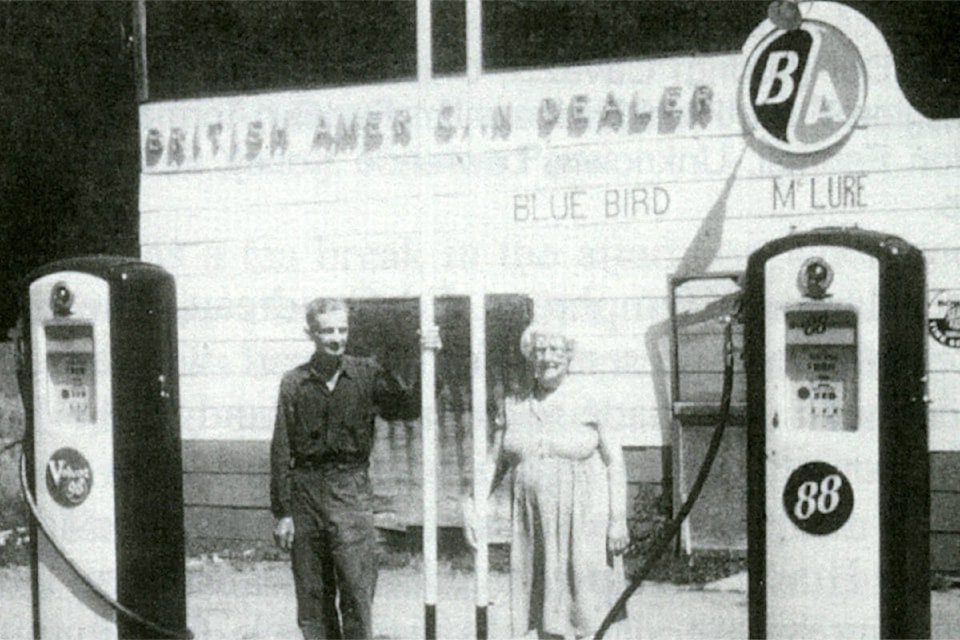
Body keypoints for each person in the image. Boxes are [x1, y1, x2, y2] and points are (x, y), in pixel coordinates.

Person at [270, 297, 440, 640]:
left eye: (342, 329)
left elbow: (407, 407)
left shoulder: (366, 373)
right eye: (327, 330)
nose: (336, 337)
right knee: (313, 595)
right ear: (311, 333)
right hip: (305, 493)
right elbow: (281, 448)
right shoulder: (293, 383)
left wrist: (430, 360)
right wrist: (283, 512)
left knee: (356, 589)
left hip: (350, 490)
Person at [466, 321, 631, 639]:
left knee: (588, 612)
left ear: (569, 356)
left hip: (585, 525)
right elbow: (494, 462)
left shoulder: (590, 400)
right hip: (534, 524)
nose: (547, 357)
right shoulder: (515, 405)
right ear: (530, 357)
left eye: (556, 349)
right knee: (543, 613)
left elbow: (615, 463)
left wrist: (618, 520)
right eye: (540, 350)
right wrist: (473, 504)